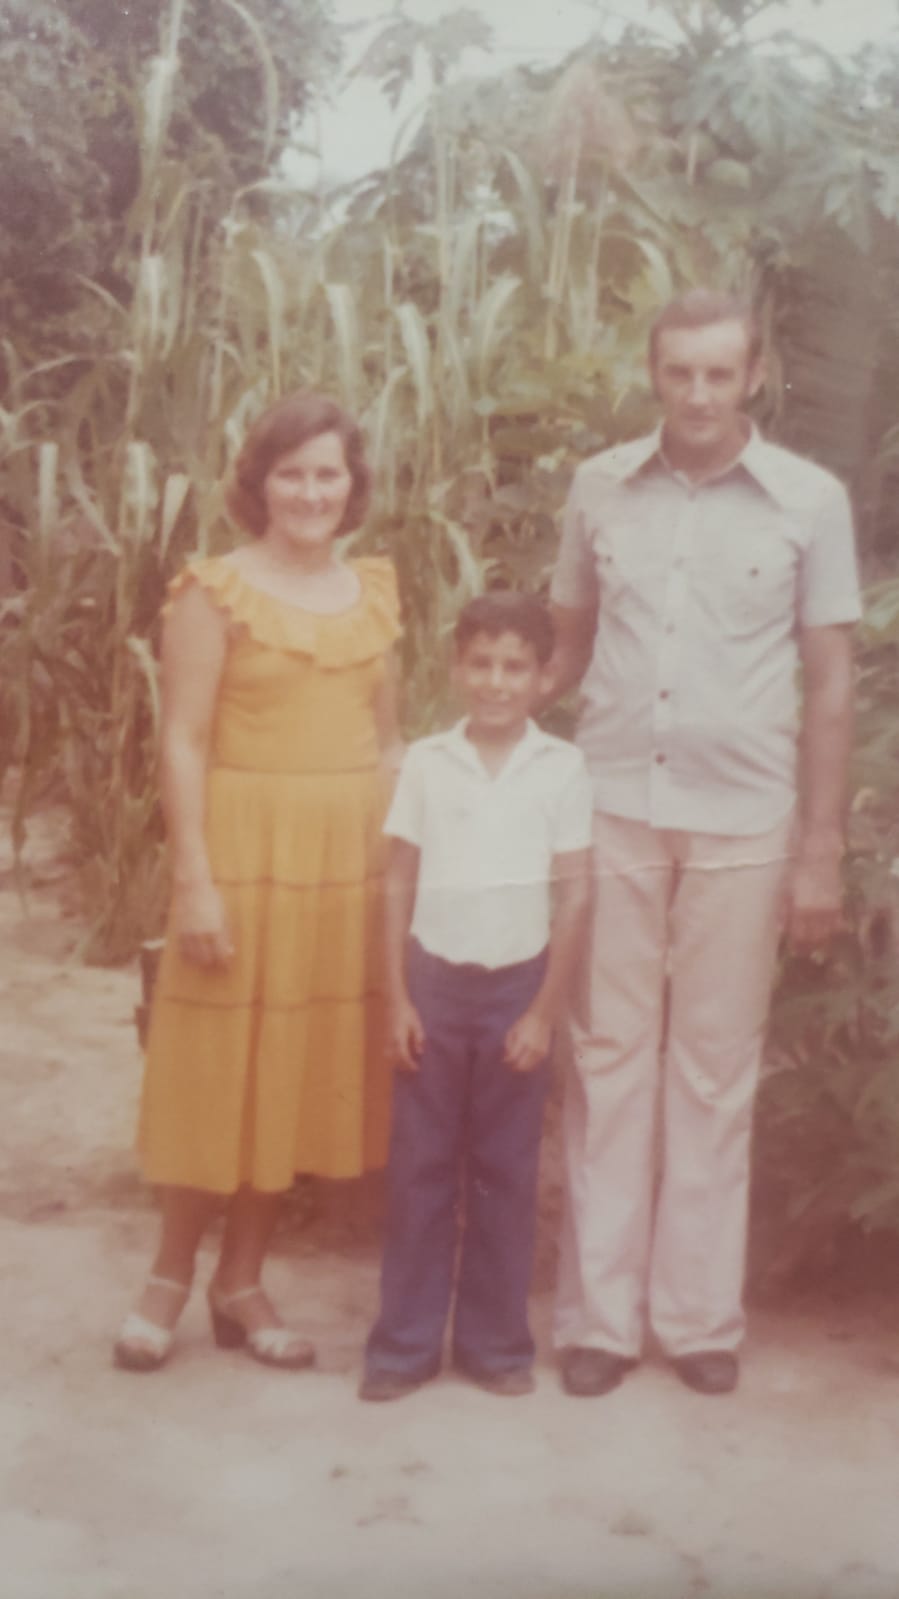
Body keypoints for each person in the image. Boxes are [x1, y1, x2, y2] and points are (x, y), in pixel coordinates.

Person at [547, 289, 860, 1397]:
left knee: (714, 1066)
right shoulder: (598, 487)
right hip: (612, 805)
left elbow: (830, 685)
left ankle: (695, 1323)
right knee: (606, 1058)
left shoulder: (808, 501)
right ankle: (598, 1321)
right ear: (652, 372)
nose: (696, 394)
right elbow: (565, 648)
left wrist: (818, 850)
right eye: (677, 372)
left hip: (743, 816)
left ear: (752, 376)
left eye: (717, 373)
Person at [114, 391, 402, 1372]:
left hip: (343, 867)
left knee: (287, 1071)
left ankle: (241, 1281)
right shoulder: (215, 591)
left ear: (352, 486)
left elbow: (388, 741)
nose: (311, 493)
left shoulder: (374, 594)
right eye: (292, 474)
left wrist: (400, 871)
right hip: (242, 854)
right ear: (258, 484)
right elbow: (183, 740)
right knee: (215, 1069)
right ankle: (167, 1277)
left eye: (329, 474)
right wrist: (195, 881)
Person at [360, 593, 593, 1401]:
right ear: (457, 668)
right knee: (419, 1169)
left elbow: (576, 893)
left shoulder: (561, 767)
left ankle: (494, 1345)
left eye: (514, 666)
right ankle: (403, 1345)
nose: (497, 681)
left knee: (505, 1170)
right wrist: (396, 999)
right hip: (432, 984)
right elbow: (396, 882)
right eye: (482, 663)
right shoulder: (428, 761)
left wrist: (542, 1012)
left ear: (542, 676)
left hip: (515, 992)